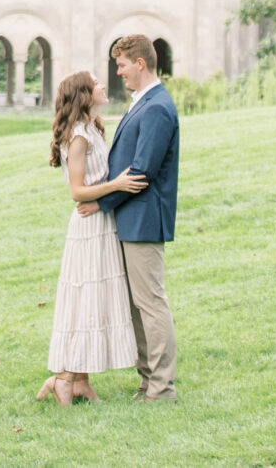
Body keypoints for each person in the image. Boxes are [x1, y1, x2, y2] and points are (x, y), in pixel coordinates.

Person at [38, 72, 146, 405]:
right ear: (84, 95)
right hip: (88, 226)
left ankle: (79, 381)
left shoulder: (94, 128)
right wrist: (116, 186)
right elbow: (77, 190)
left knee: (96, 298)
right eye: (96, 83)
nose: (103, 86)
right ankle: (65, 379)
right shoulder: (79, 136)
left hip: (102, 222)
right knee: (85, 298)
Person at [101, 33, 180, 401]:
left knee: (150, 302)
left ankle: (162, 386)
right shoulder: (142, 104)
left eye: (122, 65)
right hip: (130, 218)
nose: (119, 72)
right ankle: (147, 379)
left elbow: (142, 171)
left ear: (141, 63)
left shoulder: (158, 107)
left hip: (145, 219)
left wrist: (98, 201)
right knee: (137, 305)